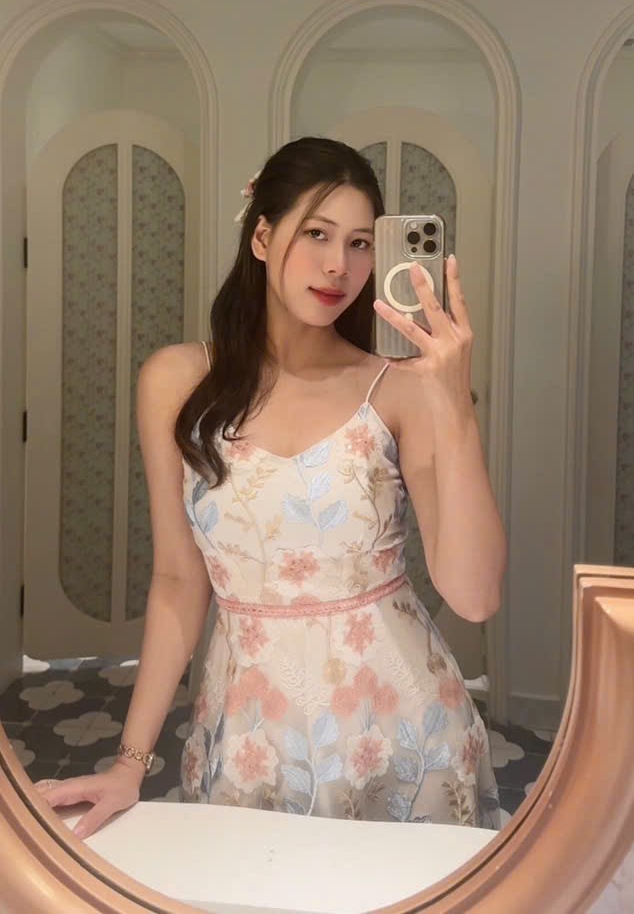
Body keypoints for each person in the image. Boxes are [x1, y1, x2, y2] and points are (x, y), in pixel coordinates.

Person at [35, 136, 506, 838]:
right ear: (262, 237)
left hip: (404, 739)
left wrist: (454, 402)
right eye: (316, 233)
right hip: (249, 741)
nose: (338, 264)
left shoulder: (401, 389)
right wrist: (129, 764)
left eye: (359, 243)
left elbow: (474, 595)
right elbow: (177, 580)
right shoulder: (176, 381)